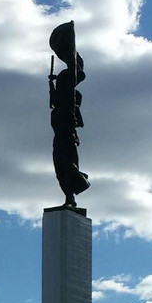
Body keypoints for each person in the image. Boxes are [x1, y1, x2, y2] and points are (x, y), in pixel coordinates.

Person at [48, 31, 89, 207]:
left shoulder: (72, 97)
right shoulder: (60, 102)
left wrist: (71, 49)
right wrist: (51, 86)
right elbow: (54, 102)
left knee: (67, 164)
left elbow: (74, 71)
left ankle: (72, 194)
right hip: (59, 133)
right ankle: (68, 196)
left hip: (66, 133)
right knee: (59, 167)